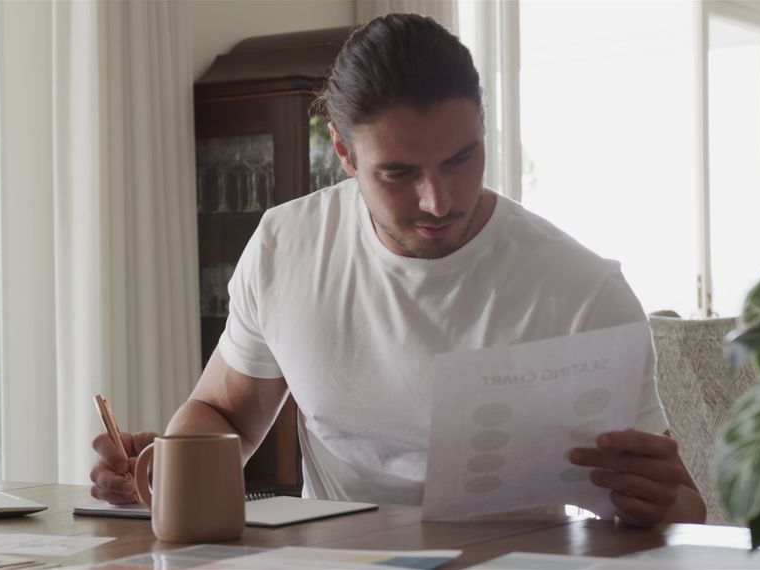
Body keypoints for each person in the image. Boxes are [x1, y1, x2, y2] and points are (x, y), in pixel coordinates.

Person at [90, 13, 706, 527]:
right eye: (400, 173)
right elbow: (225, 411)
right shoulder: (286, 245)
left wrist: (662, 504)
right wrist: (171, 465)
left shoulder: (581, 290)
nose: (438, 200)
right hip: (334, 560)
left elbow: (678, 510)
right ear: (343, 153)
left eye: (461, 158)